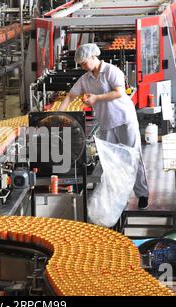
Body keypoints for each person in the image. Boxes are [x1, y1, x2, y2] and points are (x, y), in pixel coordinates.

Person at [59, 43, 149, 209]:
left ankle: (142, 193)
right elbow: (70, 96)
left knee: (133, 155)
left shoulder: (111, 71)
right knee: (111, 160)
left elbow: (119, 92)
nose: (83, 66)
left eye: (85, 62)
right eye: (81, 64)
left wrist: (96, 98)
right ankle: (118, 195)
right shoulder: (85, 79)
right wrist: (58, 115)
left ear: (94, 57)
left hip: (123, 119)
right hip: (107, 123)